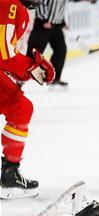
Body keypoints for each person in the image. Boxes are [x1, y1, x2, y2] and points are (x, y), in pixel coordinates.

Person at [1, 0, 56, 199]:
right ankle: (8, 177)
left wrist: (29, 69)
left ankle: (9, 175)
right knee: (19, 108)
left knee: (20, 108)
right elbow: (4, 53)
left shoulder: (16, 7)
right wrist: (31, 67)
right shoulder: (9, 4)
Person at [26, 0, 68, 88]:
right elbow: (40, 2)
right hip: (43, 24)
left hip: (56, 25)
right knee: (32, 54)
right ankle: (18, 80)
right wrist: (48, 20)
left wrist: (61, 20)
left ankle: (55, 79)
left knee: (61, 50)